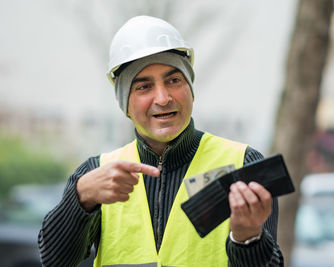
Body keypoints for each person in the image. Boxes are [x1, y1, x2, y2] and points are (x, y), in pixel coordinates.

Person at [38, 15, 284, 267]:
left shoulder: (242, 163)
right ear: (126, 105)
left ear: (190, 88)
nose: (163, 97)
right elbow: (55, 261)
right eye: (144, 87)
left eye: (174, 80)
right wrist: (81, 198)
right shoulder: (97, 173)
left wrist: (248, 239)